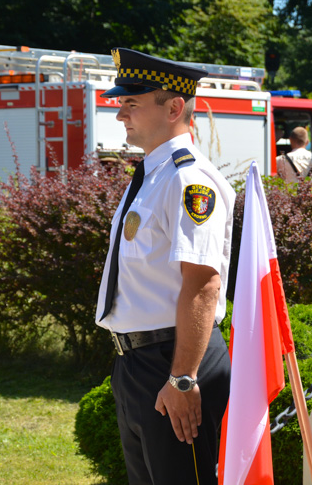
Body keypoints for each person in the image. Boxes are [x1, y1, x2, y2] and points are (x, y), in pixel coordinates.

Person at [95, 48, 234, 485]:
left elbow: (203, 283)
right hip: (137, 364)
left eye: (131, 103)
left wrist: (183, 379)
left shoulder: (188, 180)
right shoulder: (152, 175)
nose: (121, 115)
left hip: (173, 361)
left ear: (174, 107)